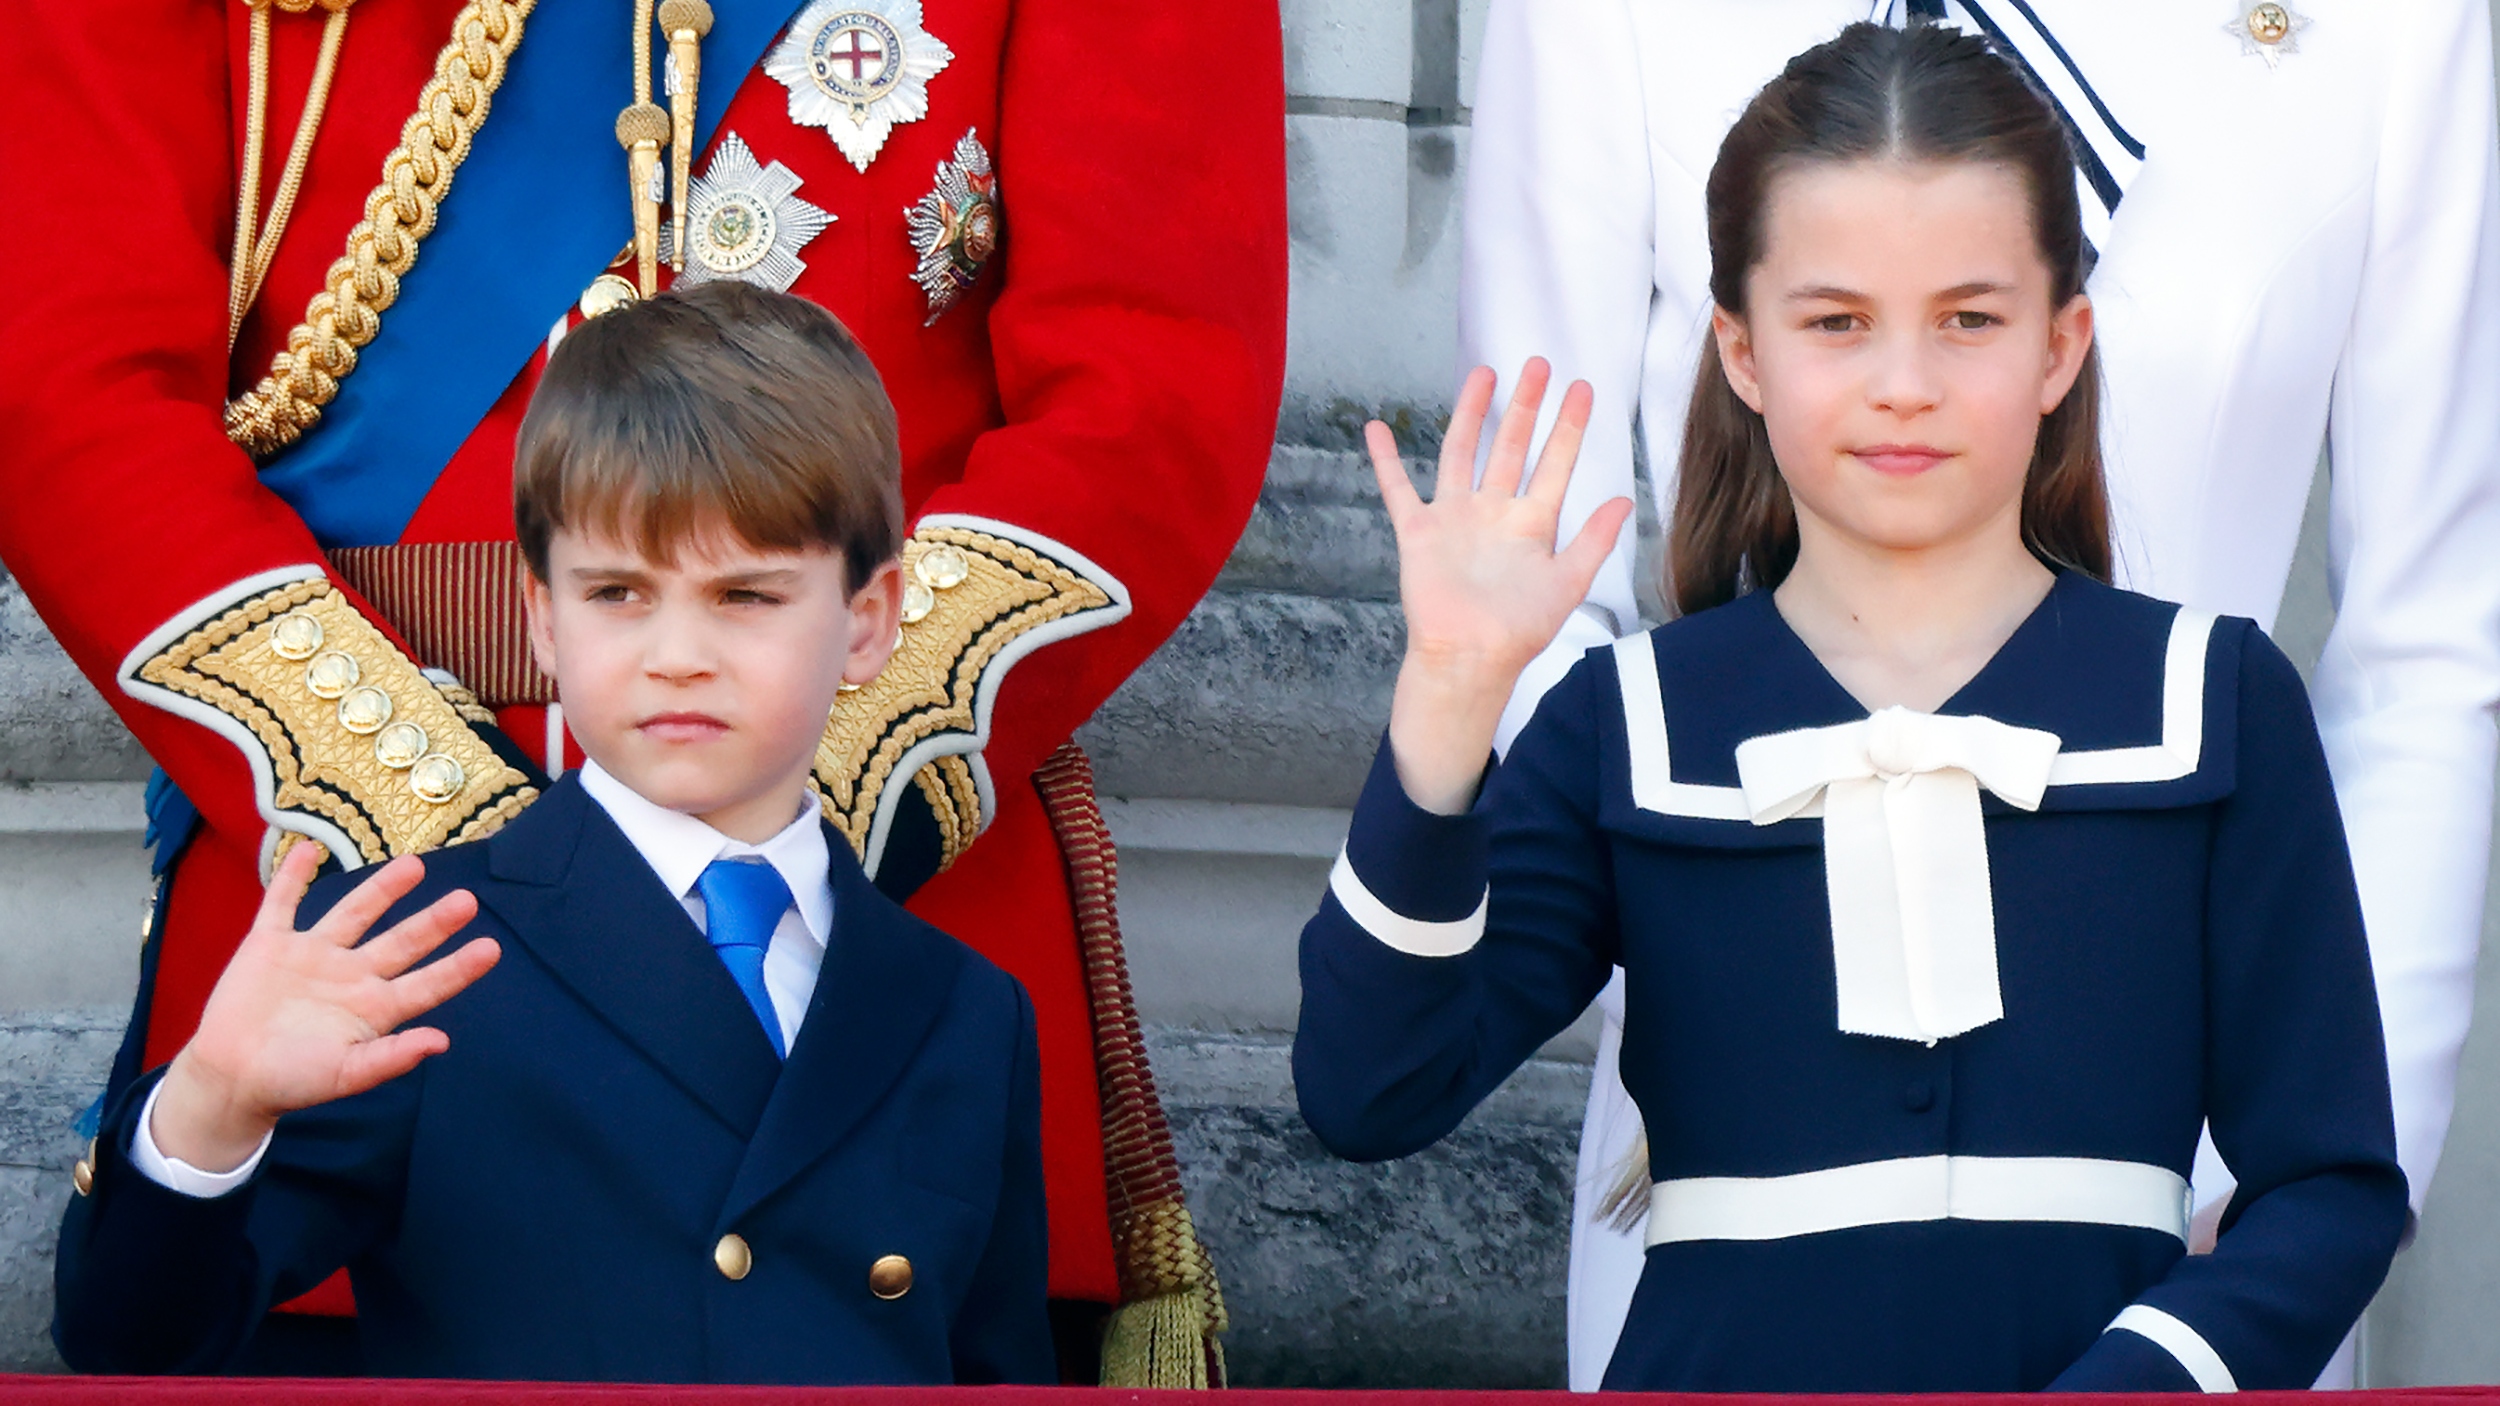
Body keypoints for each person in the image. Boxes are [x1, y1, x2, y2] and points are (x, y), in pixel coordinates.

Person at [0, 0, 1283, 1380]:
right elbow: (67, 382)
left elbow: (1151, 392)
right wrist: (451, 848)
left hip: (882, 907)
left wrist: (794, 766)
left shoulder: (957, 1022)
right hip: (364, 935)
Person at [1295, 24, 2408, 1391]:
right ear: (1742, 351)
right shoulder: (1627, 722)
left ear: (2063, 346)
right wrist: (1450, 701)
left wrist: (2148, 1378)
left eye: (1970, 318)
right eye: (1836, 321)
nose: (1905, 383)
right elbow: (1368, 1089)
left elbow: (2334, 1184)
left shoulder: (2215, 703)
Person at [50, 284, 1053, 1383]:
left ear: (866, 621)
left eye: (746, 595)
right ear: (541, 619)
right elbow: (128, 1341)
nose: (678, 652)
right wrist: (210, 1102)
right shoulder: (414, 949)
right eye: (619, 590)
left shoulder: (966, 1011)